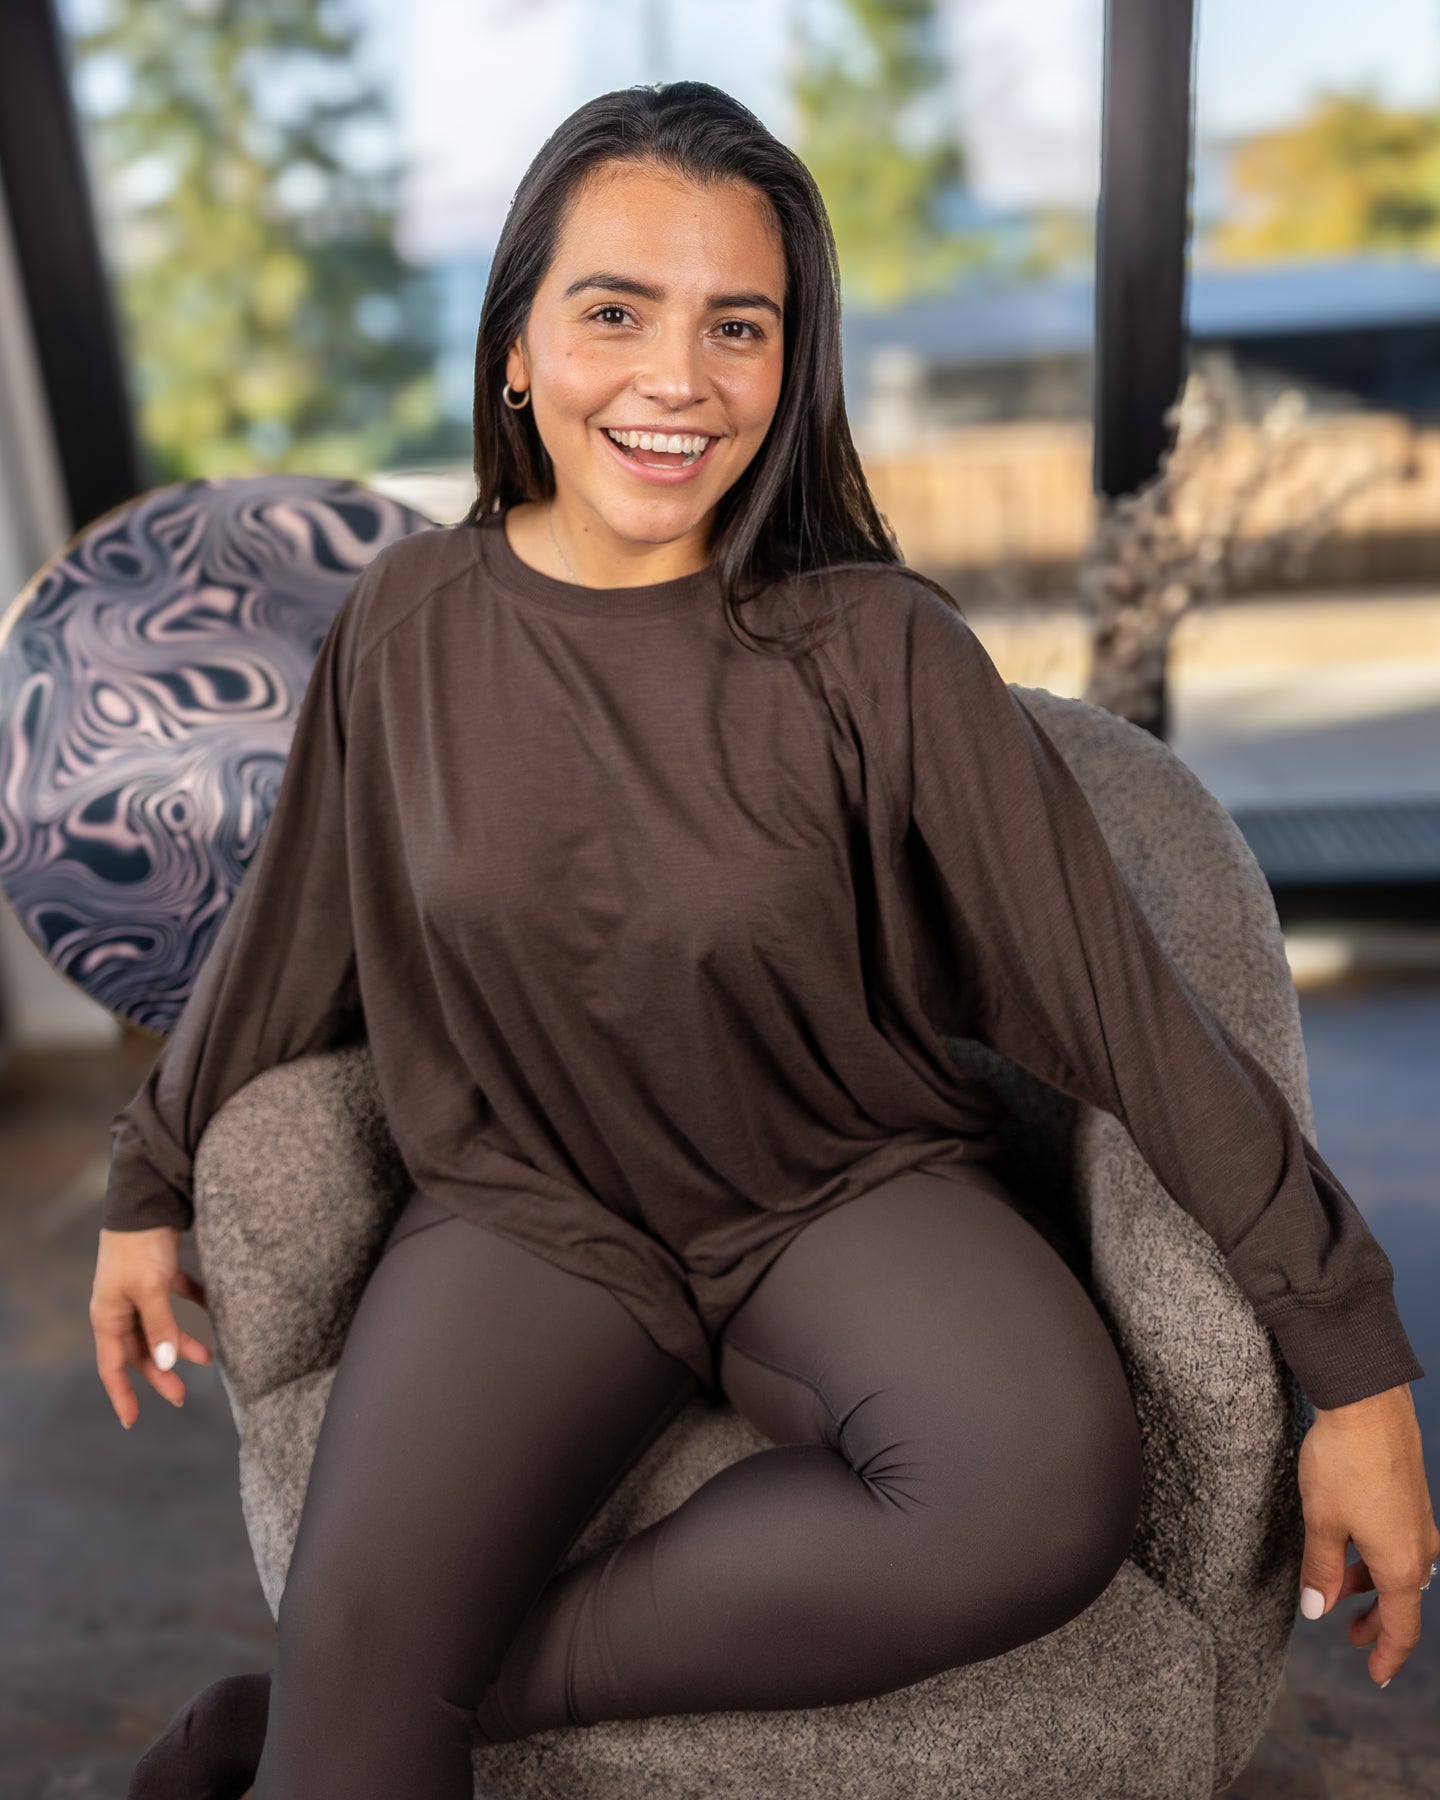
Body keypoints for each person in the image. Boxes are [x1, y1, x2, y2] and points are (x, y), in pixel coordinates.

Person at [92, 81, 1436, 1800]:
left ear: (792, 366)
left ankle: (342, 1704)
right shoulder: (406, 625)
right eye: (614, 312)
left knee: (1039, 1487)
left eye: (738, 325)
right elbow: (293, 928)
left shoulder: (877, 648)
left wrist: (1355, 1366)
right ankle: (346, 1708)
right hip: (527, 1202)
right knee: (356, 1737)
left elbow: (1128, 1008)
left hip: (839, 1181)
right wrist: (149, 1178)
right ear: (517, 351)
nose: (679, 377)